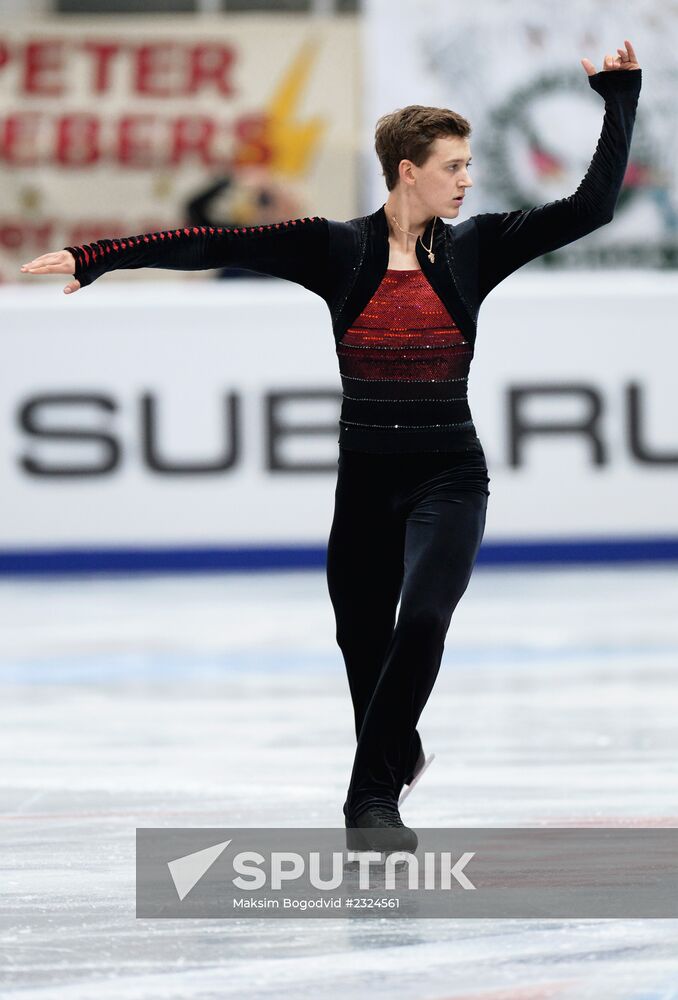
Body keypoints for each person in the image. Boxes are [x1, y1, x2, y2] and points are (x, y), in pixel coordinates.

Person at [20, 41, 642, 855]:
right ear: (406, 172)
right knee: (362, 645)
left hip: (450, 476)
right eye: (452, 166)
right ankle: (396, 752)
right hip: (365, 485)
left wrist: (619, 98)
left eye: (468, 165)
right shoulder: (336, 248)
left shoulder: (478, 245)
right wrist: (101, 259)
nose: (467, 180)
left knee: (422, 617)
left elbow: (591, 208)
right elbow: (215, 242)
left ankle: (370, 803)